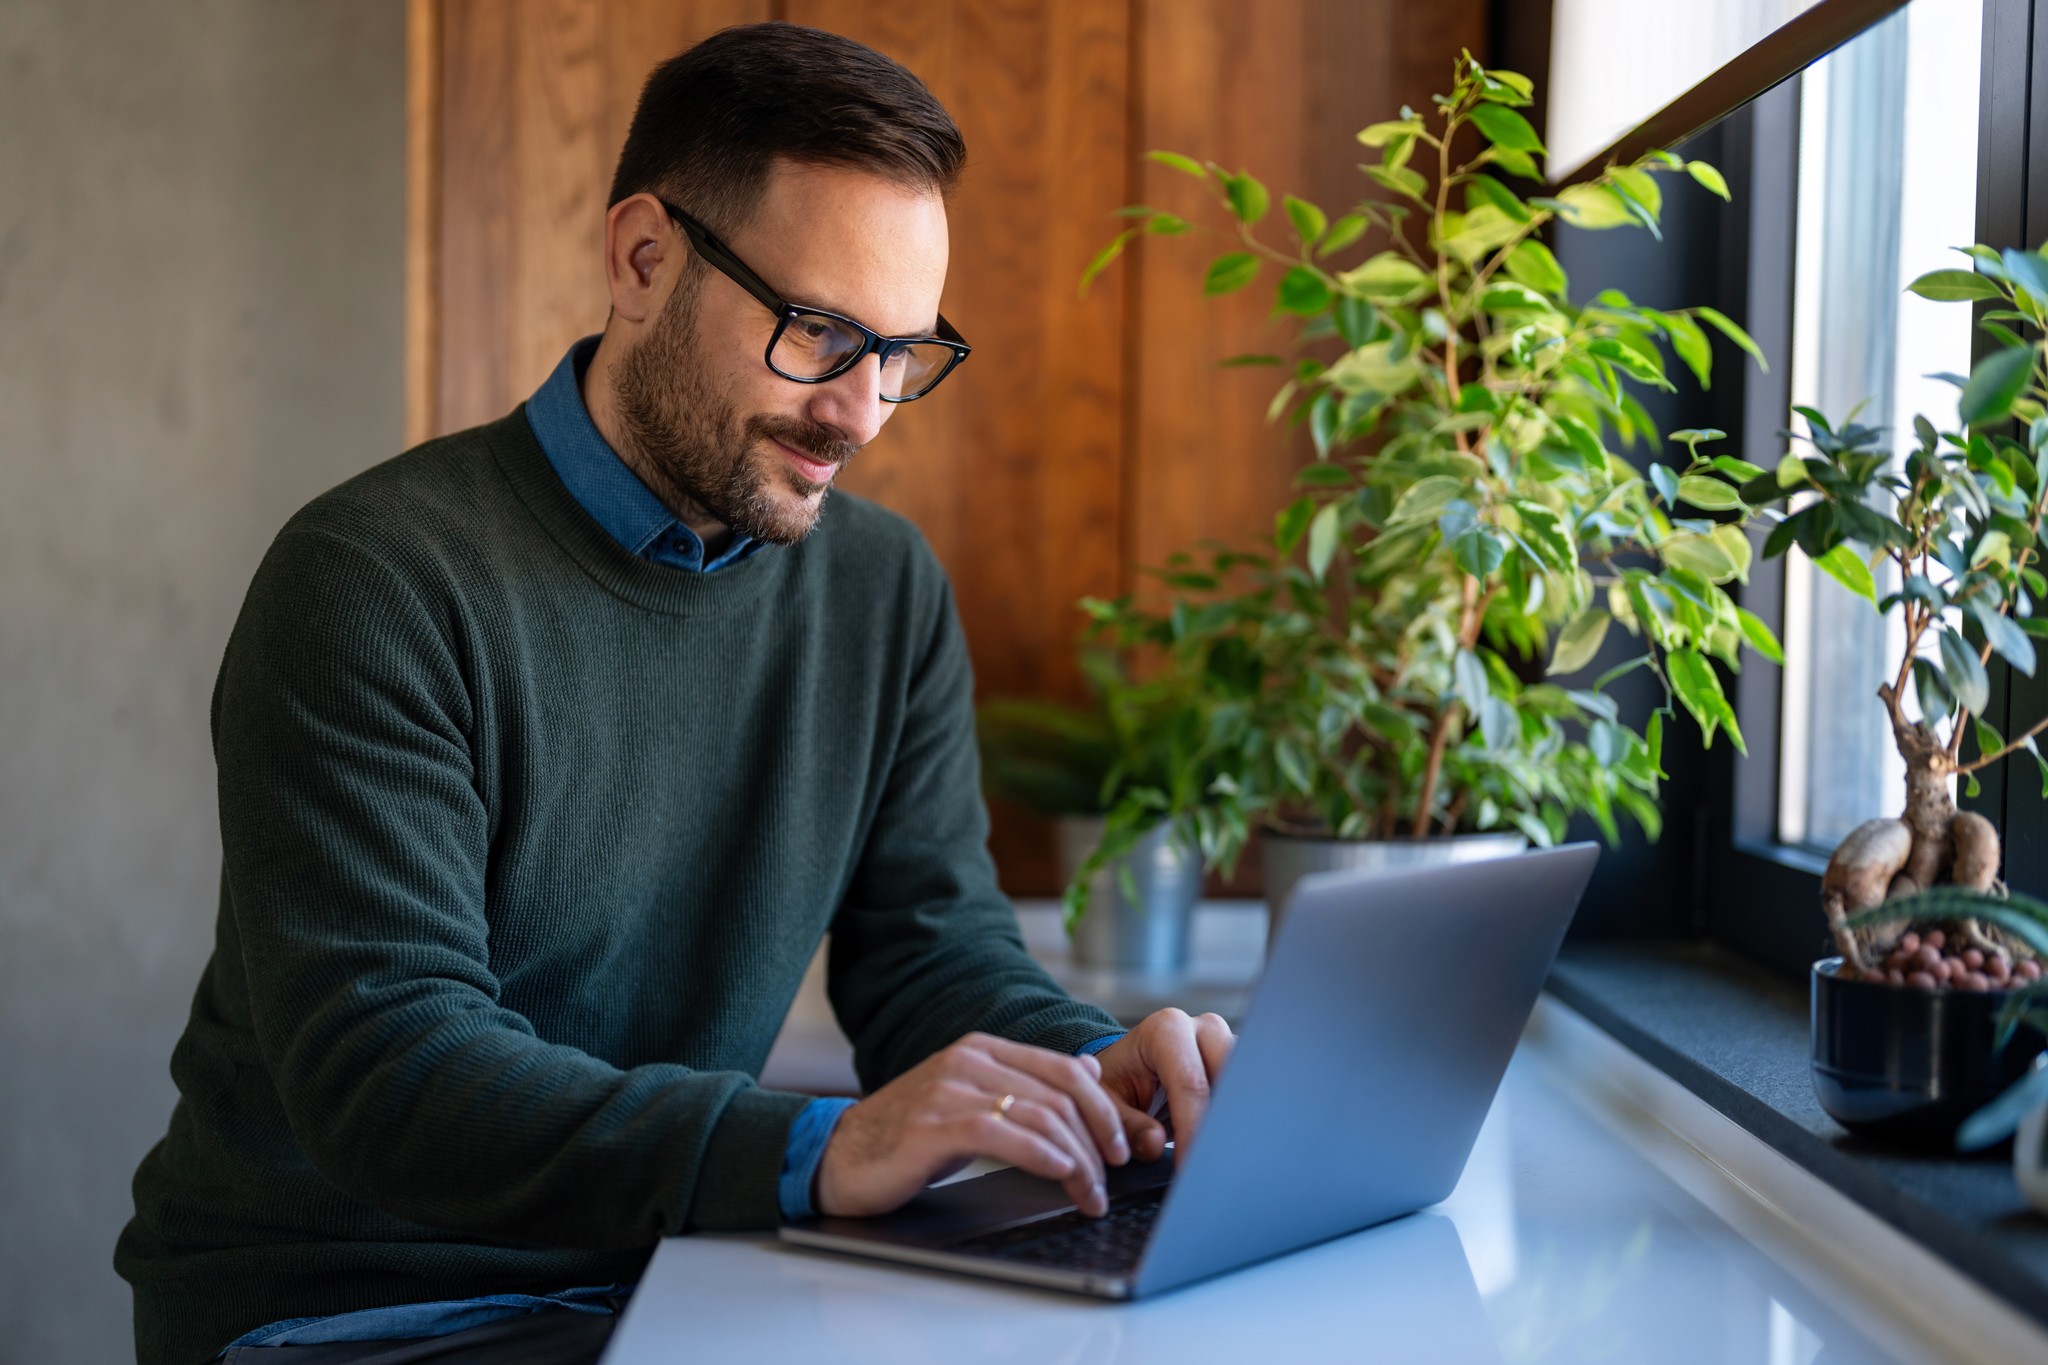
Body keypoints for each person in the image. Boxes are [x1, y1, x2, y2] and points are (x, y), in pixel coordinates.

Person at [115, 22, 1234, 1365]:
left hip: (678, 1287)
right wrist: (824, 1144)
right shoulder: (376, 581)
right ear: (642, 259)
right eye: (819, 331)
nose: (864, 413)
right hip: (358, 1310)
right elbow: (390, 1063)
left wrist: (1098, 1075)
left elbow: (933, 953)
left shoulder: (882, 590)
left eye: (901, 351)